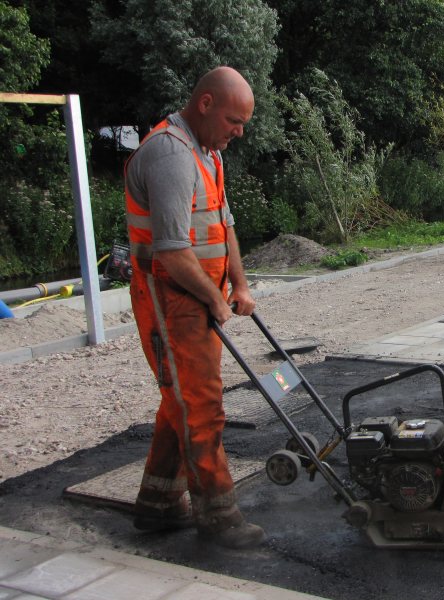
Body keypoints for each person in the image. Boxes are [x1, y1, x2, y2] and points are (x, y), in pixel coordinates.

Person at [124, 66, 264, 549]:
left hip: (196, 294)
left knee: (181, 399)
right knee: (201, 404)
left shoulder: (208, 152)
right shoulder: (170, 155)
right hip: (167, 295)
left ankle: (157, 504)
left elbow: (225, 226)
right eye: (233, 120)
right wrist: (212, 296)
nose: (238, 132)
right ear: (205, 104)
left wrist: (240, 285)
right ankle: (218, 513)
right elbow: (171, 251)